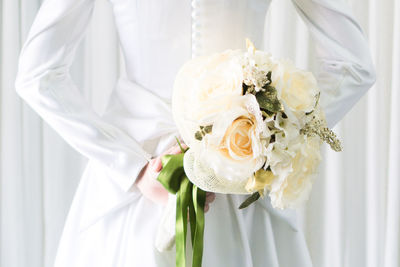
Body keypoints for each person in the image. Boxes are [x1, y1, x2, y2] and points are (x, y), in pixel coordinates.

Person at [14, 0, 376, 266]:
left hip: (157, 169)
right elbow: (354, 67)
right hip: (235, 169)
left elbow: (37, 76)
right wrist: (272, 133)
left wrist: (132, 167)